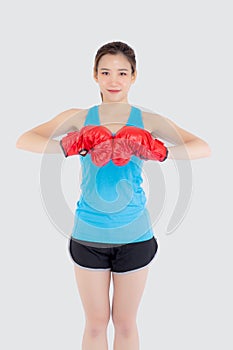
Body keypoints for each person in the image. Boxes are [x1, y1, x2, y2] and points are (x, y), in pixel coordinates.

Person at [16, 41, 211, 350]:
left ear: (134, 76)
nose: (114, 80)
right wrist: (71, 144)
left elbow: (203, 147)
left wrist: (158, 151)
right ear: (95, 75)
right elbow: (25, 140)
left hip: (135, 234)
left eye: (122, 72)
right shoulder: (79, 116)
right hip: (88, 234)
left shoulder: (148, 121)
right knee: (95, 325)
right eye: (105, 72)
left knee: (125, 323)